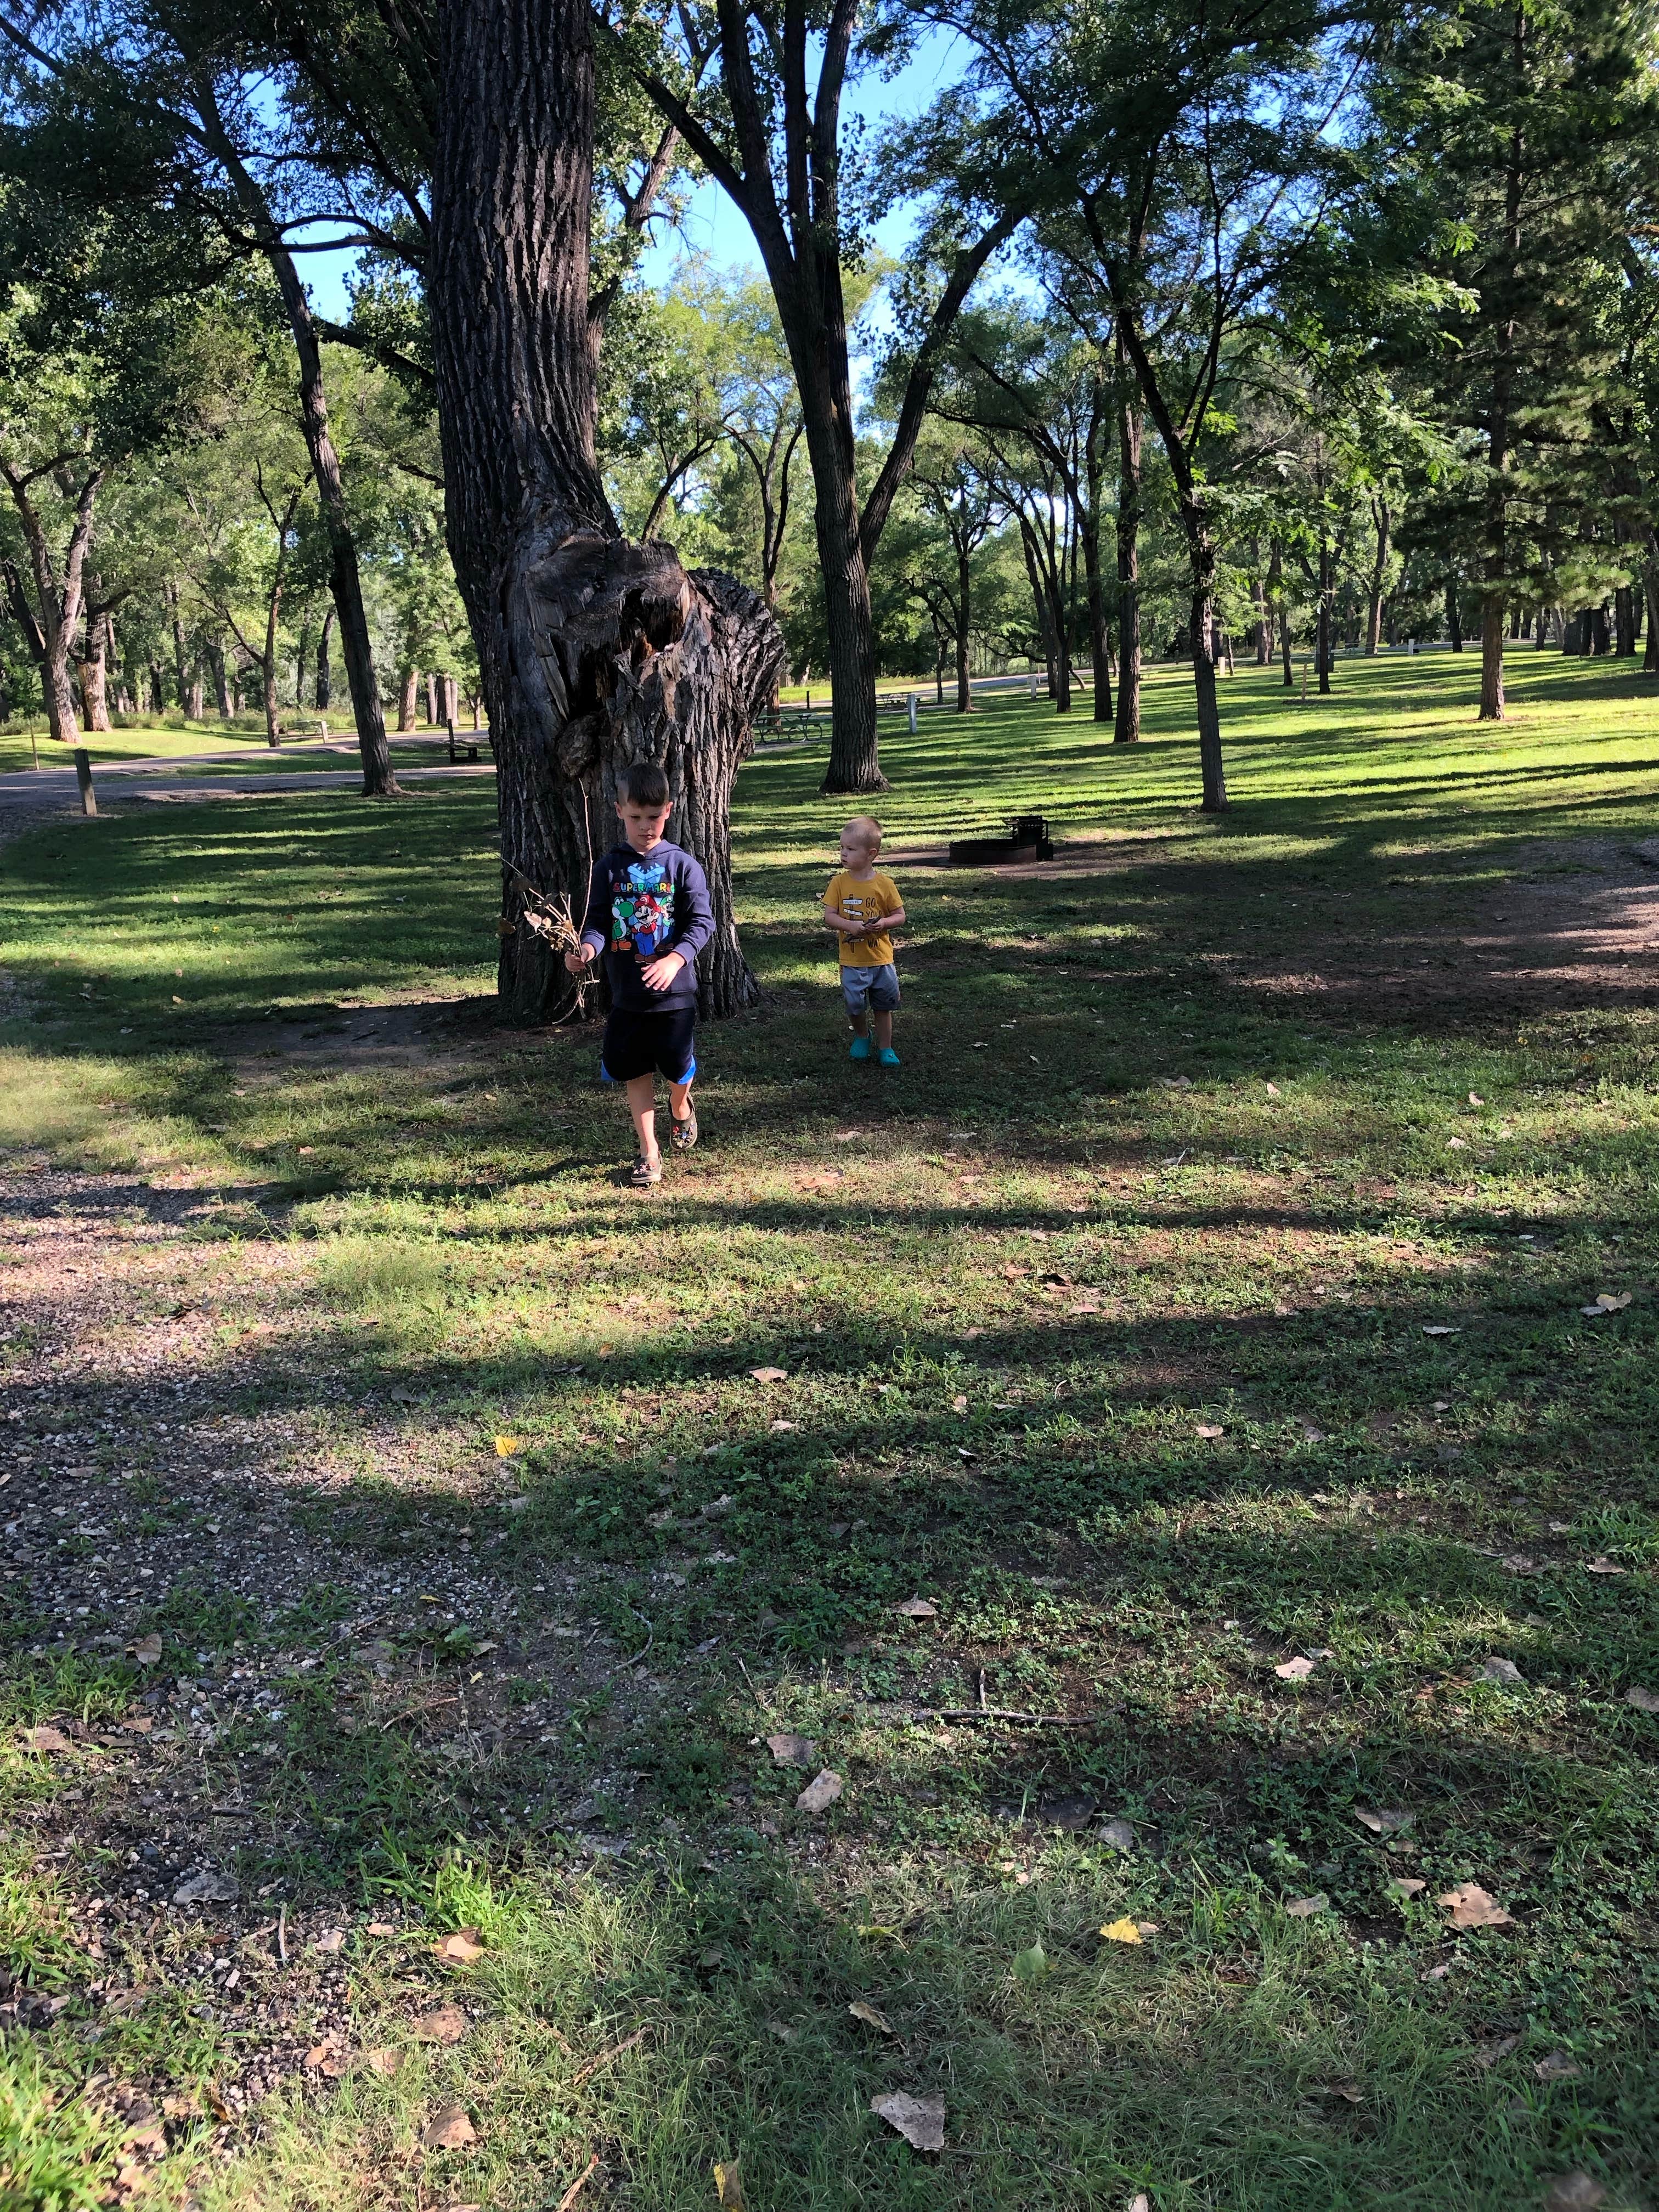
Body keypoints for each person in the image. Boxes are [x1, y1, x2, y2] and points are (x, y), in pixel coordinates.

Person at [566, 762, 713, 1186]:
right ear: (618, 811)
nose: (646, 826)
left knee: (677, 1067)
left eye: (654, 816)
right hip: (627, 994)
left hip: (676, 995)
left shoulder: (683, 865)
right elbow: (596, 922)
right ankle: (649, 1151)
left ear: (669, 810)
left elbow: (702, 923)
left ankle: (681, 1107)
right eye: (636, 817)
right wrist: (587, 949)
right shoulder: (608, 868)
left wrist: (675, 960)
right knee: (634, 1070)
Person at [823, 815, 906, 1065]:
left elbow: (900, 916)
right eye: (842, 848)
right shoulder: (838, 883)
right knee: (855, 1005)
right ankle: (862, 1034)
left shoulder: (885, 884)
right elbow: (829, 916)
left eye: (850, 849)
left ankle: (885, 1048)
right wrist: (850, 926)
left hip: (881, 959)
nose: (843, 854)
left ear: (871, 854)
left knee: (884, 1006)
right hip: (852, 960)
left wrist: (884, 924)